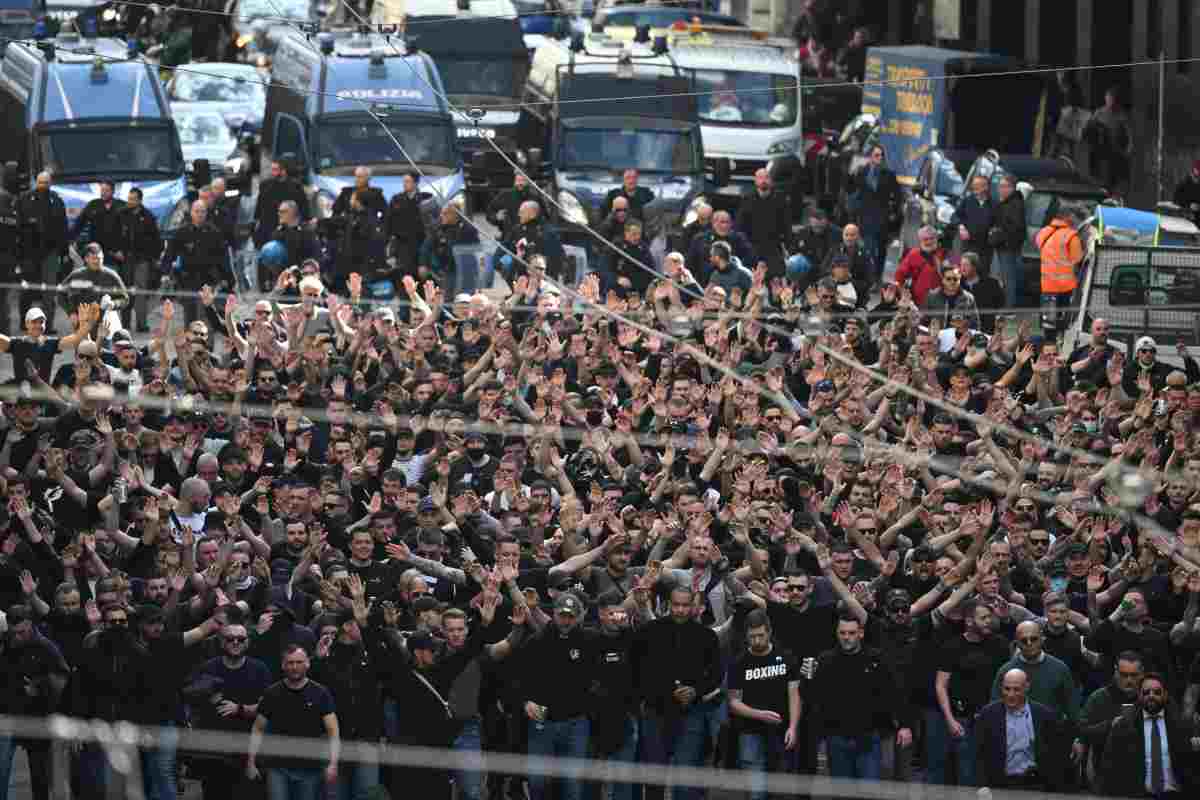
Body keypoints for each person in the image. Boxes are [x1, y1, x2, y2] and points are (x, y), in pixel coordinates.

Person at [247, 644, 341, 800]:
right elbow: (257, 729)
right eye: (290, 663)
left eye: (299, 662)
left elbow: (333, 730)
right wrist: (250, 762)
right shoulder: (272, 693)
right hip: (278, 767)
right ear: (283, 665)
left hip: (310, 767)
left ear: (307, 663)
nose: (295, 667)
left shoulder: (320, 693)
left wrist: (333, 763)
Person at [728, 609, 800, 800]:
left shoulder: (785, 657)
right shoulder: (739, 663)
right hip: (749, 732)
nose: (757, 641)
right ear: (746, 636)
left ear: (769, 632)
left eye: (761, 635)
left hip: (780, 730)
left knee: (781, 789)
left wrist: (793, 726)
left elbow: (794, 694)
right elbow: (734, 702)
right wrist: (759, 714)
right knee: (756, 791)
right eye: (752, 637)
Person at [974, 669, 1072, 791]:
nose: (1010, 694)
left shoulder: (1044, 715)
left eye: (1016, 689)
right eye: (1007, 689)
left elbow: (1055, 756)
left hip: (1035, 784)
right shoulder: (988, 715)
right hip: (1000, 784)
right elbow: (979, 755)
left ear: (1026, 688)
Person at [1101, 673, 1197, 796]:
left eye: (1157, 692)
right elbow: (1109, 766)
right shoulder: (1123, 727)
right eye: (1146, 692)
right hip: (1138, 795)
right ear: (1139, 695)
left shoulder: (1181, 726)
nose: (1151, 696)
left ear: (1165, 695)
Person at [1078, 651, 1145, 792]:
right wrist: (1110, 725)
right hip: (1105, 774)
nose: (1129, 680)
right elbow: (1082, 731)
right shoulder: (1099, 698)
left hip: (1142, 774)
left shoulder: (1150, 698)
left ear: (1142, 674)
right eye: (1124, 675)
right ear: (1115, 671)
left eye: (1134, 675)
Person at [17, 172, 68, 331]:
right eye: (40, 183)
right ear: (35, 182)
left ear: (50, 183)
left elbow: (63, 228)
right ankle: (25, 322)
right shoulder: (24, 199)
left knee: (49, 291)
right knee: (28, 290)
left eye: (45, 183)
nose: (42, 186)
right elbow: (17, 227)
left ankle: (48, 324)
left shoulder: (57, 200)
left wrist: (64, 252)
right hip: (29, 253)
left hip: (51, 252)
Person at [846, 144, 899, 281]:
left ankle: (877, 277)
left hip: (882, 217)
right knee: (867, 247)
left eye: (881, 155)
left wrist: (893, 212)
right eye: (876, 155)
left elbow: (898, 195)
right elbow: (851, 191)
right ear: (870, 157)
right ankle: (866, 275)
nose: (879, 158)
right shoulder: (862, 172)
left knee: (881, 248)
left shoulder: (889, 174)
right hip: (865, 216)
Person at [117, 187, 163, 332]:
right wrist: (116, 251)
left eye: (133, 199)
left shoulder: (148, 217)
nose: (129, 201)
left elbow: (157, 240)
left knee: (141, 292)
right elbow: (114, 234)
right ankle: (124, 324)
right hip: (125, 259)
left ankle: (141, 324)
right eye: (129, 198)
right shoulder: (121, 214)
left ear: (140, 200)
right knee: (126, 292)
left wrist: (153, 258)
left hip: (142, 260)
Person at [1035, 206, 1084, 340]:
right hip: (1066, 288)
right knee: (1064, 323)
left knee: (1049, 324)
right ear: (1068, 217)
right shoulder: (1071, 235)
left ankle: (1048, 346)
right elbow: (1078, 259)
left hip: (1047, 286)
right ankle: (1061, 343)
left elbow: (1039, 247)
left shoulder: (1043, 233)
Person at [736, 169, 794, 276]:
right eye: (760, 177)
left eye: (766, 177)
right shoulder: (747, 199)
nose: (764, 180)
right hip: (752, 246)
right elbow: (740, 226)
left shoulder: (780, 199)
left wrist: (788, 248)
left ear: (771, 180)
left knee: (777, 276)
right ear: (755, 181)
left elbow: (786, 226)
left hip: (773, 246)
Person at [1086, 88, 1134, 197]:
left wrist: (1129, 149)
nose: (1110, 102)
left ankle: (1111, 197)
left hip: (1116, 153)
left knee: (1114, 181)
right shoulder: (1099, 113)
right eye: (1108, 99)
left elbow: (1129, 133)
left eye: (1112, 99)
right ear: (1105, 99)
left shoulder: (1121, 114)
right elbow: (1089, 128)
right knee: (1102, 179)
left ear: (1116, 100)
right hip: (1101, 152)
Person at [254, 159, 308, 248]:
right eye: (272, 169)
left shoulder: (295, 187)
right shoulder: (265, 186)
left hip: (287, 230)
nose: (272, 173)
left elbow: (303, 207)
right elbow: (259, 205)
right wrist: (256, 220)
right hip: (267, 228)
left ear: (283, 171)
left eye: (275, 170)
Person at [992, 174, 1027, 308]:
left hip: (1008, 246)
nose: (1001, 190)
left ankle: (1008, 308)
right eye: (1000, 186)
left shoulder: (1014, 203)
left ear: (1012, 188)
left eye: (1004, 186)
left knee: (1008, 279)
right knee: (1006, 278)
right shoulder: (1006, 202)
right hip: (1004, 245)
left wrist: (999, 234)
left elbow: (1015, 227)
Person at [951, 175, 996, 275]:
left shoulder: (994, 204)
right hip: (968, 246)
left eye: (977, 185)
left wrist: (993, 231)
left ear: (986, 187)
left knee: (982, 275)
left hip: (985, 249)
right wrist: (961, 227)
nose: (974, 187)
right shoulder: (967, 201)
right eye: (973, 185)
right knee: (964, 273)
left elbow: (998, 223)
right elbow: (954, 216)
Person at [386, 172, 426, 277]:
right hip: (402, 243)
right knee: (404, 272)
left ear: (416, 183)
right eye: (404, 181)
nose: (404, 184)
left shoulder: (425, 198)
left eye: (407, 181)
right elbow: (389, 220)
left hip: (420, 242)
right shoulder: (396, 199)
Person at [895, 225, 946, 307]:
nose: (929, 242)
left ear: (937, 239)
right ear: (920, 241)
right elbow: (899, 276)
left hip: (940, 302)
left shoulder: (944, 254)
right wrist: (904, 294)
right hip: (918, 303)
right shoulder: (913, 254)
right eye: (925, 239)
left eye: (932, 238)